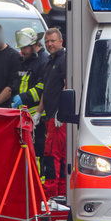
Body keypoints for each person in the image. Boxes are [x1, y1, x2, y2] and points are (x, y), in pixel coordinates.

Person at [39, 27, 68, 199]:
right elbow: (46, 90)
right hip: (51, 117)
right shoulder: (50, 62)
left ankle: (50, 194)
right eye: (47, 41)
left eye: (52, 41)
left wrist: (61, 111)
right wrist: (39, 112)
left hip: (58, 119)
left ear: (61, 41)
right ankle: (61, 193)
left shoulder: (64, 59)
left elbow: (67, 84)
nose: (49, 44)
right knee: (60, 157)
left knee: (52, 156)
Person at [14, 27, 47, 114]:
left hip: (38, 117)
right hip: (25, 114)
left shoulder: (43, 61)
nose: (22, 51)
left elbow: (42, 88)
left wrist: (23, 98)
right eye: (21, 48)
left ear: (33, 45)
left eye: (24, 48)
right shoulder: (27, 60)